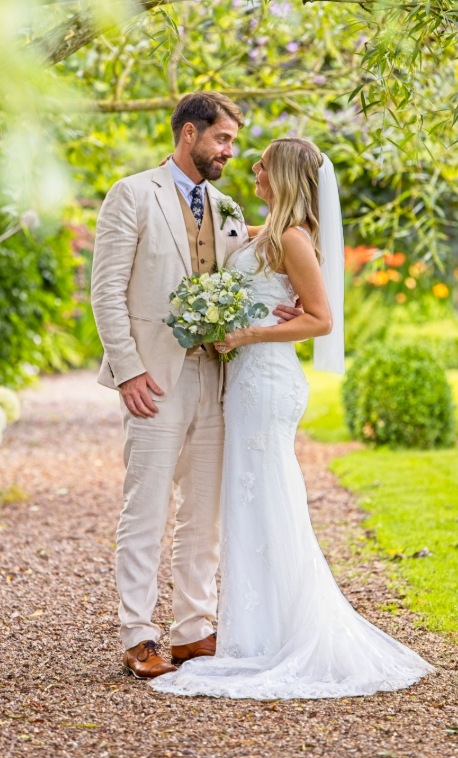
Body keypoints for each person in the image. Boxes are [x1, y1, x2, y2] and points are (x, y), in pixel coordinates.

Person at [151, 137, 434, 699]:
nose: (252, 168)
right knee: (250, 501)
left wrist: (251, 331)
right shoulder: (269, 233)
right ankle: (258, 633)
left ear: (282, 174)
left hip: (268, 381)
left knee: (265, 498)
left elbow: (322, 319)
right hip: (250, 381)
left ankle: (283, 635)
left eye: (262, 164)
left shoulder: (294, 238)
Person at [91, 92, 302, 679]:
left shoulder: (230, 208)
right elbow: (106, 291)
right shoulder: (132, 194)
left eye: (232, 142)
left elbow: (266, 258)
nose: (230, 152)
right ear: (189, 133)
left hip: (218, 378)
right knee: (146, 507)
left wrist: (282, 309)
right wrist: (128, 369)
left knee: (204, 511)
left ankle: (192, 629)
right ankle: (138, 634)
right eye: (223, 140)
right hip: (153, 379)